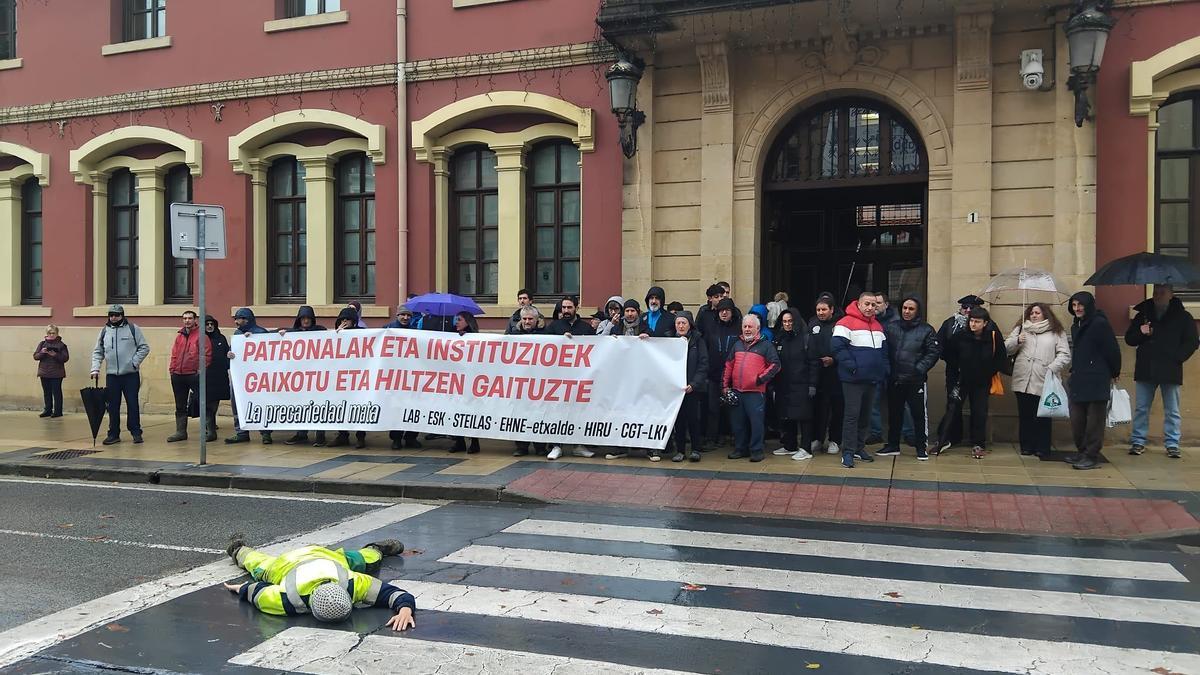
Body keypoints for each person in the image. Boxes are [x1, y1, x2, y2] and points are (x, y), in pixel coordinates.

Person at [224, 536, 415, 631]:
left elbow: (255, 592)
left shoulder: (352, 583)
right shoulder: (287, 599)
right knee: (260, 566)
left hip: (322, 557)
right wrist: (240, 588)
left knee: (255, 562)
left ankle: (240, 550)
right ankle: (239, 550)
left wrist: (405, 608)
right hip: (290, 562)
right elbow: (256, 592)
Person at [1125, 284, 1198, 459]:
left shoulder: (1183, 317)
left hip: (1170, 368)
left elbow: (1192, 342)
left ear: (1171, 295)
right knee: (1142, 408)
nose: (1158, 296)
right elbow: (1130, 339)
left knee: (1172, 409)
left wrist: (1177, 357)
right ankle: (1138, 441)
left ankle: (1172, 444)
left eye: (1162, 293)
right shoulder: (1143, 314)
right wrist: (1142, 333)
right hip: (1146, 367)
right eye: (1155, 293)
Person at [1005, 303, 1071, 459]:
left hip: (1044, 379)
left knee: (1043, 415)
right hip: (1023, 378)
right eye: (1031, 313)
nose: (1033, 315)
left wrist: (1052, 367)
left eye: (1037, 313)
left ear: (1045, 314)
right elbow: (1006, 349)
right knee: (1025, 415)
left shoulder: (1056, 332)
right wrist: (1016, 341)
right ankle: (1026, 446)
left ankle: (1042, 447)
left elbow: (1064, 354)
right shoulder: (1021, 329)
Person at [879, 297, 941, 460]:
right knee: (895, 414)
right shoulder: (891, 328)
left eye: (911, 309)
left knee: (919, 415)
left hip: (915, 381)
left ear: (917, 310)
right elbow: (884, 350)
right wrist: (888, 371)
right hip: (895, 379)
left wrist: (918, 369)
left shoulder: (927, 330)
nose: (907, 311)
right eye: (905, 308)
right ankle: (893, 445)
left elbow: (933, 353)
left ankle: (921, 447)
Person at [1066, 291, 1121, 470]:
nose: (1077, 308)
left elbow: (1112, 350)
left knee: (1094, 422)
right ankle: (1082, 451)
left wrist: (1114, 371)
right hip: (1079, 378)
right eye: (1074, 305)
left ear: (1088, 305)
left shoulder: (1099, 324)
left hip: (1097, 378)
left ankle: (1091, 455)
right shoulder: (1076, 325)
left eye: (1080, 305)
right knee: (1077, 419)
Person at [831, 293, 888, 469]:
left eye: (873, 304)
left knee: (865, 416)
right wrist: (853, 367)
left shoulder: (878, 326)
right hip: (853, 379)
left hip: (872, 379)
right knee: (852, 416)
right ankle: (847, 452)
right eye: (867, 304)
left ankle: (859, 448)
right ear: (859, 304)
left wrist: (884, 371)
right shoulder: (845, 323)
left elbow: (883, 352)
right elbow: (837, 347)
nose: (870, 307)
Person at [942, 307, 1005, 460]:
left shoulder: (993, 336)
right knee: (953, 408)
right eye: (971, 321)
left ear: (985, 323)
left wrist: (988, 371)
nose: (973, 324)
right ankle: (944, 439)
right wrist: (957, 368)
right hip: (962, 379)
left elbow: (1000, 357)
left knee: (979, 412)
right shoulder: (961, 336)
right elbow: (947, 353)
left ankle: (978, 443)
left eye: (977, 322)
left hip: (982, 381)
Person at [723, 314, 781, 462]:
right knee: (738, 423)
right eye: (745, 326)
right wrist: (725, 386)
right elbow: (728, 365)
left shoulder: (766, 345)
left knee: (756, 423)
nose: (747, 329)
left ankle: (756, 450)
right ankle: (740, 449)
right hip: (737, 390)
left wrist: (759, 379)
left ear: (758, 328)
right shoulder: (737, 345)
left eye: (750, 326)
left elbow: (775, 365)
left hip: (755, 392)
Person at [90, 305, 150, 445]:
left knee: (132, 404)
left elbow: (144, 347)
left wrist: (134, 363)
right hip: (112, 375)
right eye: (111, 315)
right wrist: (95, 368)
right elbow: (98, 351)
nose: (114, 317)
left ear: (122, 315)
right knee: (113, 406)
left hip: (130, 375)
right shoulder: (105, 331)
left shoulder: (132, 329)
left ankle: (136, 432)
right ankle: (114, 434)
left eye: (117, 315)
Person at [935, 295, 986, 452]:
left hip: (979, 374)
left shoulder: (987, 326)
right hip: (955, 372)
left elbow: (995, 349)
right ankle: (950, 437)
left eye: (972, 308)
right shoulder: (950, 323)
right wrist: (950, 360)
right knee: (953, 405)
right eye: (965, 307)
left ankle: (977, 440)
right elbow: (939, 344)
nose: (968, 311)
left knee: (979, 408)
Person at [279, 306, 329, 447]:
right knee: (301, 406)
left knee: (319, 406)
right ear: (299, 320)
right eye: (303, 318)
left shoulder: (320, 331)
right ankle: (301, 434)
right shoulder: (292, 333)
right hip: (300, 378)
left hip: (318, 376)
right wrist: (280, 334)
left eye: (308, 318)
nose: (306, 321)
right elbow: (268, 336)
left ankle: (320, 436)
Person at [771, 308, 814, 461]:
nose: (787, 324)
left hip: (802, 383)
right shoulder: (779, 338)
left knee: (804, 416)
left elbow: (813, 362)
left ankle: (806, 448)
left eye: (790, 321)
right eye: (784, 321)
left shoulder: (805, 338)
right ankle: (790, 445)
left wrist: (812, 384)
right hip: (784, 383)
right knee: (787, 415)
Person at [226, 308, 273, 446]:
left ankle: (265, 432)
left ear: (246, 319)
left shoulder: (261, 333)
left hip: (258, 376)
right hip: (241, 376)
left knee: (262, 402)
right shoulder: (237, 334)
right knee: (237, 403)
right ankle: (241, 432)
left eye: (238, 319)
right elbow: (233, 351)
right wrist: (230, 354)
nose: (236, 322)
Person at [167, 311, 212, 443]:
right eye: (185, 318)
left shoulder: (201, 335)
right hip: (178, 374)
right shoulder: (179, 336)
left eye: (190, 318)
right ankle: (181, 431)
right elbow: (174, 354)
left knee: (203, 403)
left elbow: (207, 355)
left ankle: (210, 430)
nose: (187, 321)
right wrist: (172, 369)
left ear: (195, 320)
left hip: (193, 374)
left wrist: (200, 370)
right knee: (180, 405)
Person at [808, 295, 843, 456]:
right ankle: (817, 438)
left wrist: (834, 360)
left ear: (832, 310)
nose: (821, 313)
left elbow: (845, 347)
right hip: (817, 374)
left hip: (836, 374)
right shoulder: (812, 323)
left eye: (824, 309)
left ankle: (835, 440)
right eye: (818, 310)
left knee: (836, 408)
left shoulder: (840, 324)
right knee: (818, 408)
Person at [703, 297, 741, 447]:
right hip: (713, 375)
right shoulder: (711, 327)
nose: (724, 313)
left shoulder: (739, 327)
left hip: (733, 376)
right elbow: (705, 349)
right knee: (713, 408)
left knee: (733, 408)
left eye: (727, 310)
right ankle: (713, 437)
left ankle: (734, 436)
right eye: (721, 310)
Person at [329, 307, 369, 449]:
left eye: (348, 319)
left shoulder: (362, 333)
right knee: (340, 407)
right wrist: (338, 333)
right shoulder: (336, 334)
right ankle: (342, 435)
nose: (345, 322)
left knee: (359, 407)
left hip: (358, 377)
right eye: (342, 320)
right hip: (340, 379)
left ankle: (360, 437)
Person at [672, 311, 707, 462]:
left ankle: (695, 449)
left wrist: (694, 384)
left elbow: (703, 364)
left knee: (694, 419)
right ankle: (680, 450)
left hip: (692, 388)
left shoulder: (698, 340)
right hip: (675, 390)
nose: (680, 326)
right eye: (678, 323)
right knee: (679, 420)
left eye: (683, 323)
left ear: (689, 324)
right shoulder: (669, 340)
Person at [449, 311, 481, 455]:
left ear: (468, 322)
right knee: (456, 410)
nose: (456, 322)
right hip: (456, 380)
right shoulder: (451, 336)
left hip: (470, 381)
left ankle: (474, 442)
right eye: (455, 319)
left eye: (459, 320)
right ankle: (459, 441)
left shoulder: (476, 338)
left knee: (471, 412)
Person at [202, 316, 230, 442]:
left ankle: (211, 424)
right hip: (205, 375)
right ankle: (210, 428)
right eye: (207, 324)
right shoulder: (200, 338)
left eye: (211, 324)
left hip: (219, 376)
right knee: (207, 403)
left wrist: (229, 357)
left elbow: (226, 353)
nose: (209, 326)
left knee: (214, 403)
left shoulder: (221, 338)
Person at [34, 324, 69, 418]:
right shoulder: (42, 344)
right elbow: (35, 356)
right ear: (47, 333)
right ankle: (47, 410)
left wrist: (55, 355)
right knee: (46, 392)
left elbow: (65, 358)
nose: (51, 335)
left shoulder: (61, 345)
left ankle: (58, 411)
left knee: (56, 392)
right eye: (49, 333)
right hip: (44, 372)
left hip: (57, 373)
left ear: (57, 334)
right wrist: (42, 352)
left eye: (53, 333)